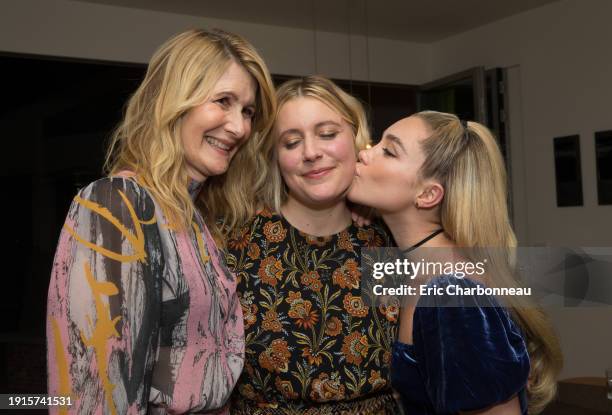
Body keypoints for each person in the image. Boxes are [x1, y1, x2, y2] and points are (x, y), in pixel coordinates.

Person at [46, 29, 275, 414]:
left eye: (247, 111)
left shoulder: (196, 217)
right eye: (223, 101)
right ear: (173, 102)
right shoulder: (117, 204)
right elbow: (93, 391)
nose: (239, 127)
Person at [348, 111, 563, 414]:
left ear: (427, 194)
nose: (364, 153)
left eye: (389, 151)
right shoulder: (409, 263)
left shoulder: (452, 293)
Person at [224, 76, 400, 414]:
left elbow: (507, 286)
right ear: (274, 157)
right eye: (291, 142)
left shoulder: (387, 238)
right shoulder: (237, 244)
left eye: (327, 134)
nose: (311, 152)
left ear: (355, 137)